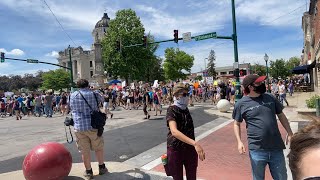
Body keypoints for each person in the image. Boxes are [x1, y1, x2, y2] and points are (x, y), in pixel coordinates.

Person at [233, 75, 293, 180]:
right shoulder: (241, 104)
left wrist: (290, 133)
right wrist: (239, 141)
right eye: (258, 83)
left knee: (282, 177)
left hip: (276, 147)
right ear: (250, 87)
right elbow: (236, 123)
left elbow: (281, 115)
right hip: (257, 149)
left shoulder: (270, 97)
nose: (262, 85)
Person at [166, 83, 205, 180]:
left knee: (192, 176)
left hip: (189, 149)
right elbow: (174, 131)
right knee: (177, 177)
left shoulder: (185, 109)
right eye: (184, 95)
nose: (187, 97)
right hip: (176, 149)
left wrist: (192, 144)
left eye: (187, 94)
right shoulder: (172, 110)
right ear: (176, 95)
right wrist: (195, 143)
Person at [70, 79, 107, 179]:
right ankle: (102, 167)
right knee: (98, 147)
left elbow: (72, 108)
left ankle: (88, 171)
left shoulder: (73, 95)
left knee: (84, 151)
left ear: (78, 86)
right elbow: (104, 100)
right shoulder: (95, 94)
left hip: (79, 126)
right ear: (88, 85)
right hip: (93, 125)